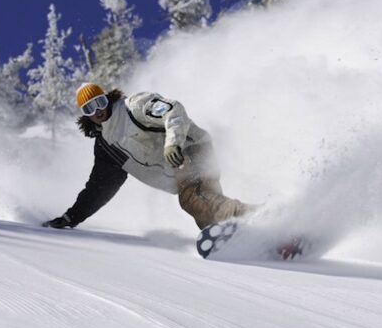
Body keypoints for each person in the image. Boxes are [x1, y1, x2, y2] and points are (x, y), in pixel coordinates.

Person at [43, 83, 252, 233]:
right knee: (207, 218)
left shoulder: (133, 106)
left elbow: (173, 110)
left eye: (99, 101)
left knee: (192, 199)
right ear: (84, 115)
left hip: (191, 148)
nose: (97, 110)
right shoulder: (107, 147)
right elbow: (98, 189)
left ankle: (255, 218)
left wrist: (173, 143)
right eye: (89, 108)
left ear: (107, 97)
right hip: (180, 173)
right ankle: (257, 238)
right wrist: (72, 217)